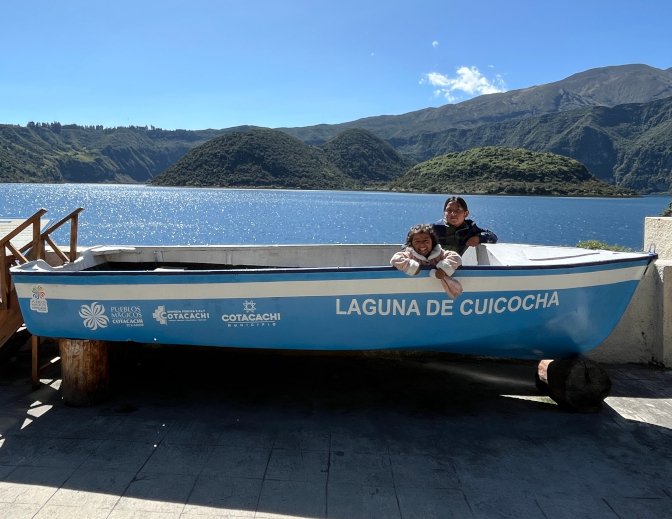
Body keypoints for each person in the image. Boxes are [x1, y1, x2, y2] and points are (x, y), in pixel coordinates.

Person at [390, 224, 463, 298]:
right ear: (411, 244)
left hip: (438, 295)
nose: (422, 245)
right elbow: (395, 259)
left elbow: (456, 257)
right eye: (417, 242)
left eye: (426, 241)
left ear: (433, 242)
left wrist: (444, 268)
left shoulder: (439, 253)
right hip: (414, 293)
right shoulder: (410, 253)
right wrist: (411, 267)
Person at [432, 196, 498, 255]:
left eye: (458, 210)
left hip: (458, 265)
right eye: (449, 210)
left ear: (466, 214)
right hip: (437, 264)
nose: (453, 214)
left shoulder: (470, 228)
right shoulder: (436, 228)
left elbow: (493, 236)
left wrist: (479, 238)